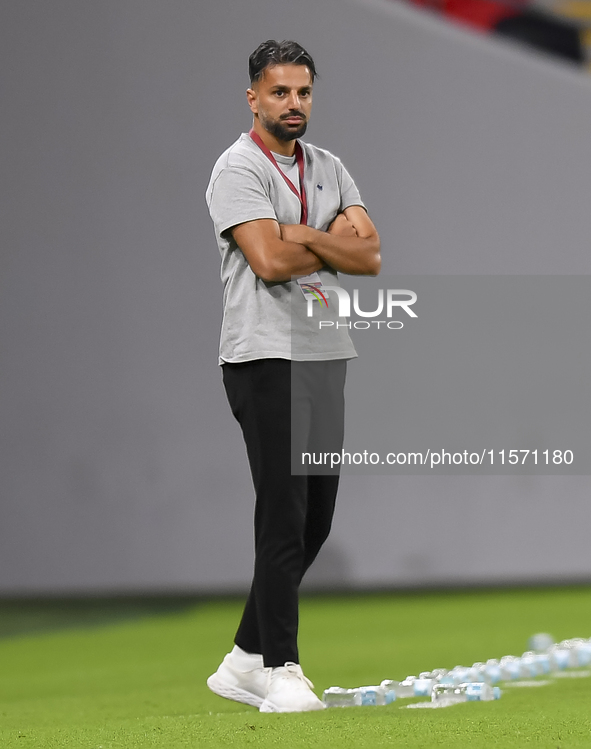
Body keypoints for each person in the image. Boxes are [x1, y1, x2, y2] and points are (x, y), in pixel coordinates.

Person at [205, 39, 380, 713]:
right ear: (254, 97)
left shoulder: (329, 166)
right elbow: (268, 264)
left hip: (322, 351)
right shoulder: (235, 169)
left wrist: (296, 233)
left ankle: (243, 656)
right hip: (261, 353)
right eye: (279, 92)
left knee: (316, 520)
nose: (293, 103)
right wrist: (323, 236)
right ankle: (281, 668)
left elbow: (366, 256)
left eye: (302, 91)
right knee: (283, 513)